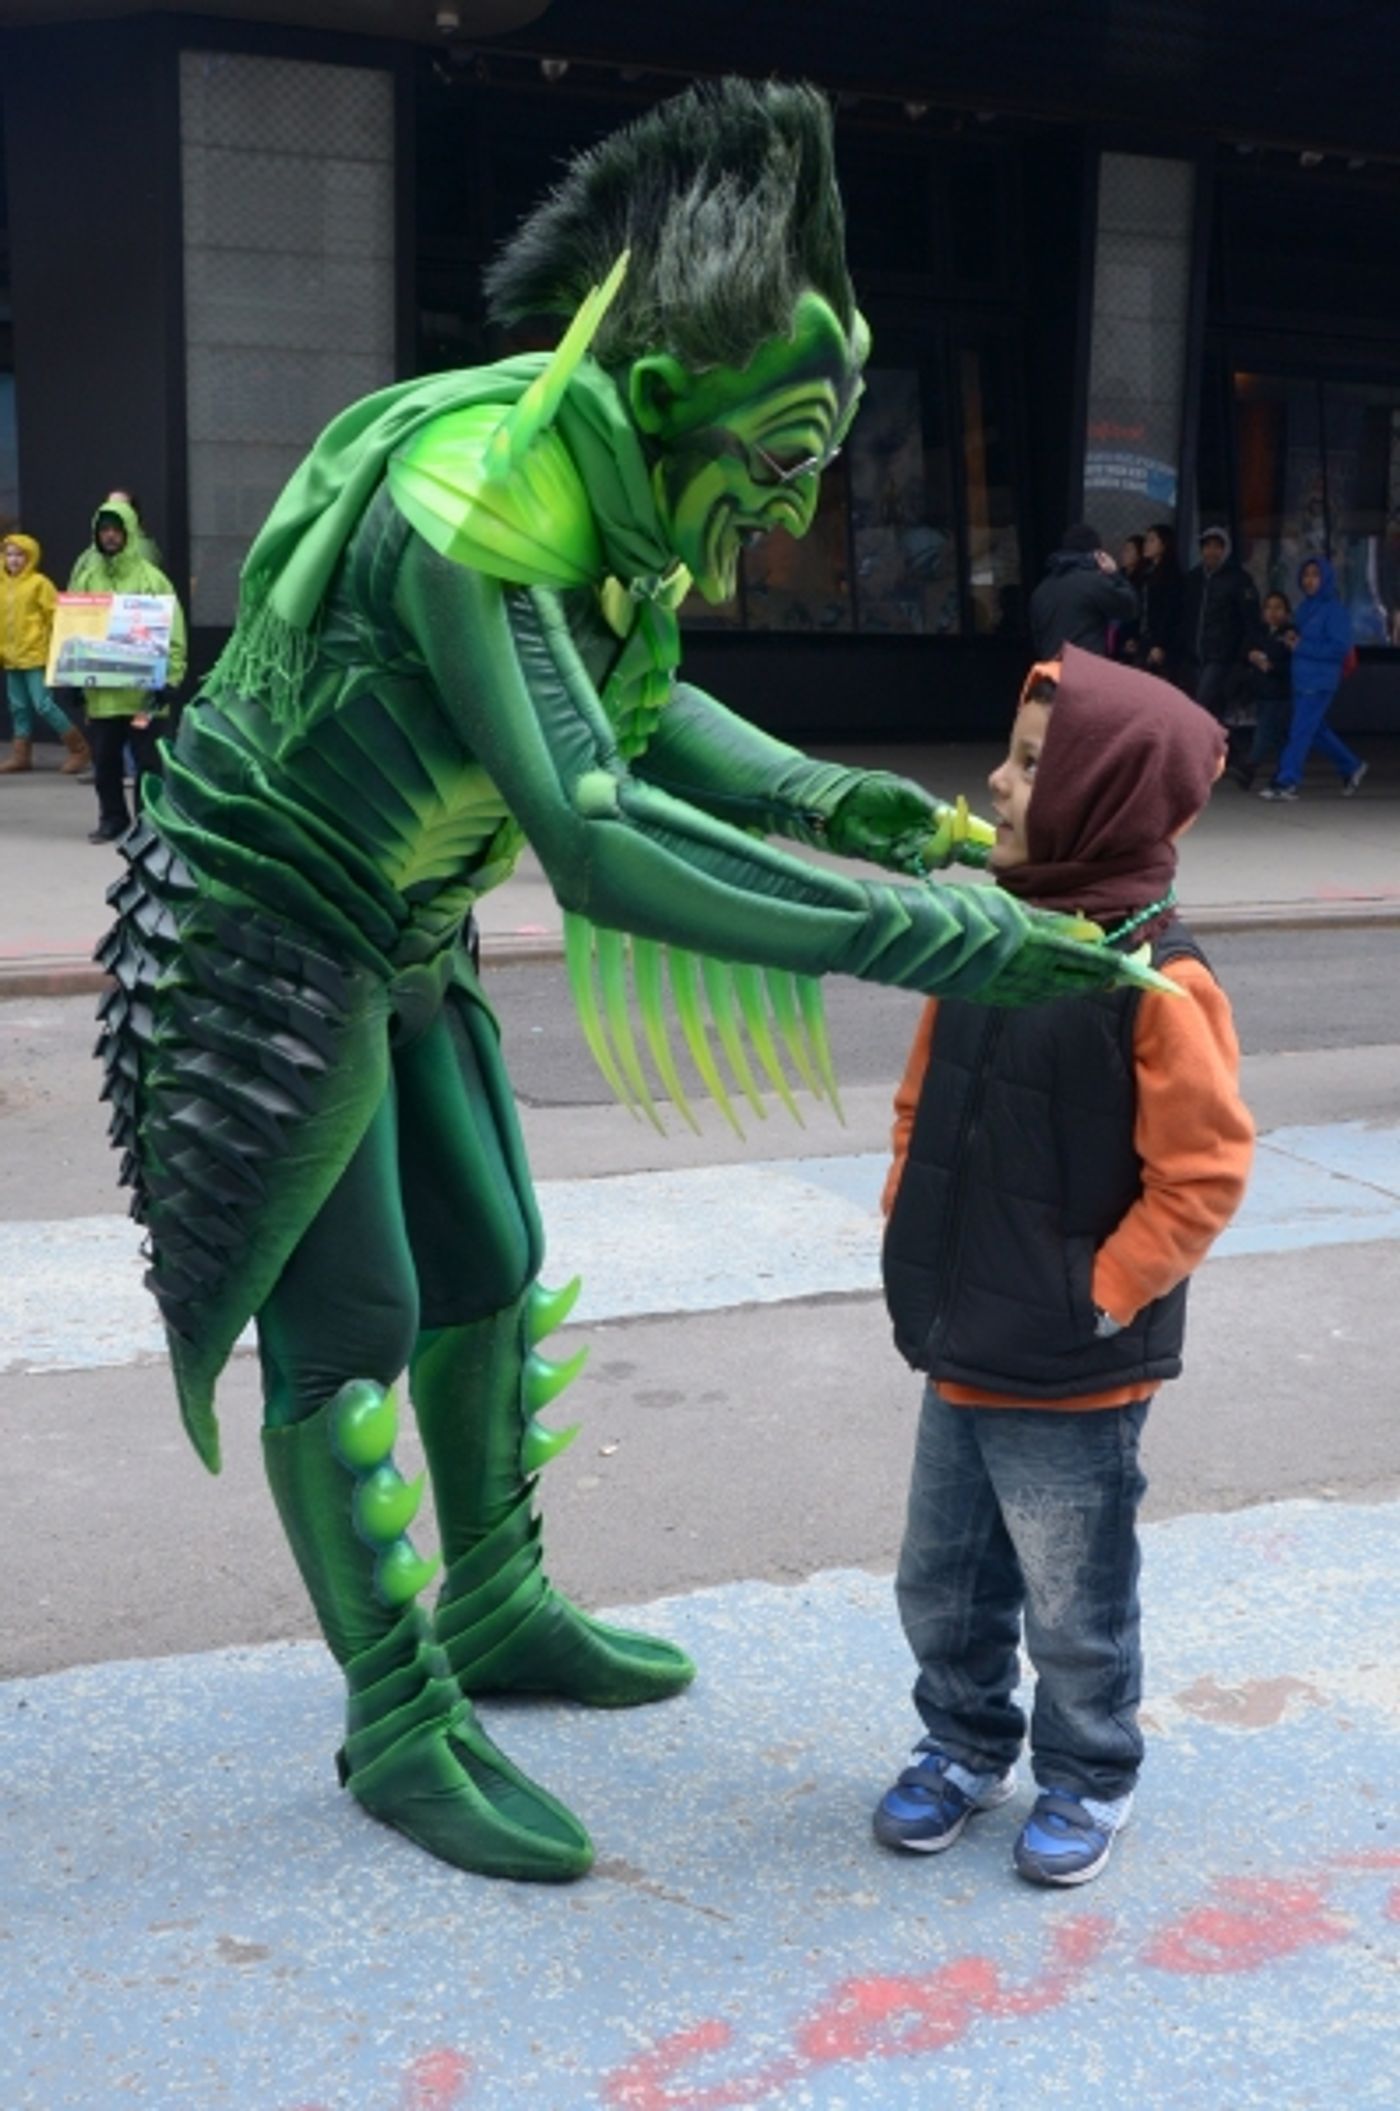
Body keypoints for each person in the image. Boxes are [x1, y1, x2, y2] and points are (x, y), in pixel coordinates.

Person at [95, 80, 1162, 1890]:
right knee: (348, 1330)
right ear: (667, 404)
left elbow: (636, 700)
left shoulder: (592, 490)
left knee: (492, 1261)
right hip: (271, 937)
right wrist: (939, 933)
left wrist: (831, 800)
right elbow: (594, 825)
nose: (762, 533)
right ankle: (395, 1708)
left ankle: (498, 1600)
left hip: (407, 929)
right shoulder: (477, 497)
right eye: (762, 479)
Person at [874, 644, 1253, 1887]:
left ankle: (1087, 1770)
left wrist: (1095, 1297)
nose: (995, 781)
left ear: (1098, 791)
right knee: (942, 1580)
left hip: (1070, 1367)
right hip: (962, 1340)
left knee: (1068, 1597)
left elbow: (1198, 1174)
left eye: (1031, 765)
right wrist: (905, 1218)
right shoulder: (993, 936)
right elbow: (924, 1098)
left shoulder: (1156, 980)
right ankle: (962, 1741)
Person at [69, 497, 186, 841]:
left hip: (144, 695)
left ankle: (149, 824)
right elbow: (74, 631)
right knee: (105, 762)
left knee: (149, 763)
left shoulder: (154, 581)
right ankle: (113, 819)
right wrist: (74, 677)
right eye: (103, 529)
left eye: (116, 530)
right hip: (103, 695)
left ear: (129, 532)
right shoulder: (86, 580)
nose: (109, 536)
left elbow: (174, 631)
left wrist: (172, 677)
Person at [1259, 555, 1366, 800]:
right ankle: (1351, 765)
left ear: (1326, 578)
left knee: (1300, 731)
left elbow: (1340, 648)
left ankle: (1287, 780)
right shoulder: (1305, 608)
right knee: (1314, 729)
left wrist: (1302, 647)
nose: (1309, 581)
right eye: (1306, 575)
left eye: (1315, 575)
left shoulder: (1334, 610)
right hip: (1303, 679)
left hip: (1319, 680)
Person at [0, 534, 90, 774]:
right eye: (9, 554)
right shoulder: (1, 585)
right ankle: (21, 755)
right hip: (10, 656)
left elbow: (56, 616)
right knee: (18, 706)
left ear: (30, 558)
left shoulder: (39, 583)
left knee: (43, 704)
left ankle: (79, 749)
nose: (13, 560)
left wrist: (56, 646)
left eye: (20, 555)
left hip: (35, 654)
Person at [1176, 526, 1258, 721]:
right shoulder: (1193, 578)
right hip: (1194, 654)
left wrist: (1242, 655)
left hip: (1221, 656)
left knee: (1199, 705)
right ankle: (1222, 748)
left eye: (1217, 547)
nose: (1211, 551)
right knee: (1212, 709)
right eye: (1207, 546)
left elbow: (1250, 619)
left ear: (1225, 550)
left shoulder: (1239, 579)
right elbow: (1184, 615)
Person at [1028, 522, 1139, 660]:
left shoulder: (1042, 589)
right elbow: (1129, 607)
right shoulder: (1095, 583)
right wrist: (1114, 573)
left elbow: (1037, 638)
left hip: (1052, 671)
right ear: (1097, 554)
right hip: (1085, 671)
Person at [1229, 590, 1292, 791]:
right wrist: (1252, 656)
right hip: (1263, 692)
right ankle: (1285, 771)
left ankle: (1249, 767)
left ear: (1287, 613)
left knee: (1264, 733)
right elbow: (1244, 651)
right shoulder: (1260, 634)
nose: (1273, 612)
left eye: (1278, 608)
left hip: (1280, 692)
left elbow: (1288, 663)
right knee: (1279, 736)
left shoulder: (1289, 635)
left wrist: (1271, 665)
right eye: (1268, 608)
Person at [1137, 521, 1184, 689]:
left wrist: (1160, 644)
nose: (1146, 545)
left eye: (1152, 540)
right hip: (1144, 636)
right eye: (1146, 540)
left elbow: (1170, 612)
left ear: (1164, 545)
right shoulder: (1147, 573)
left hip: (1160, 640)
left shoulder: (1171, 576)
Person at [1108, 534, 1145, 661]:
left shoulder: (1142, 581)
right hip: (1113, 633)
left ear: (1140, 554)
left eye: (1129, 550)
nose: (1124, 553)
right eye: (1124, 549)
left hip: (1130, 636)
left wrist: (1134, 636)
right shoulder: (1118, 577)